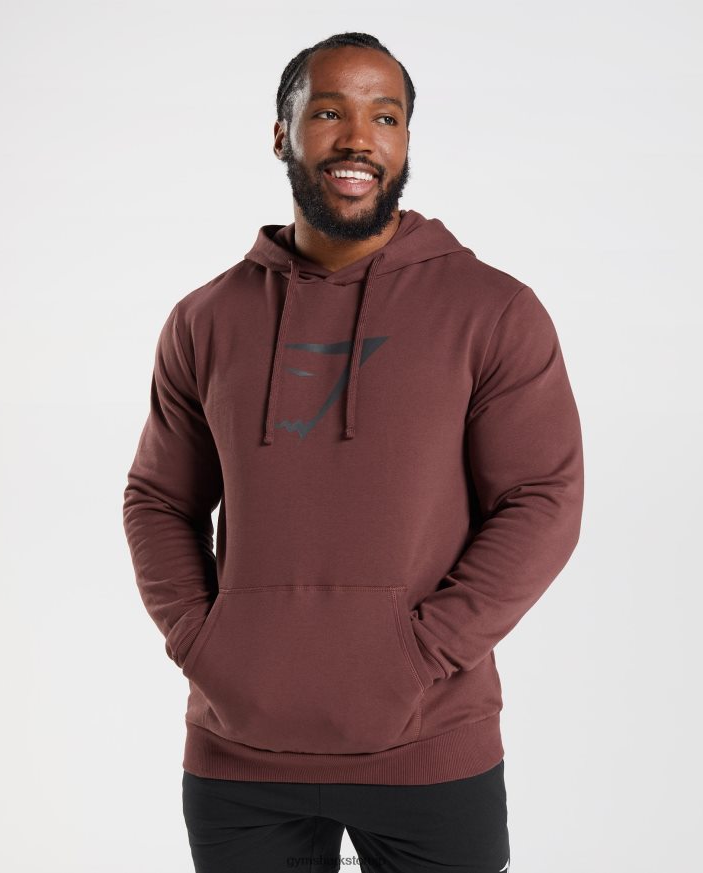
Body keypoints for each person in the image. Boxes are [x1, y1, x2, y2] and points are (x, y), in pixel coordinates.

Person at [122, 31, 584, 873]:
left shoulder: (493, 310)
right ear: (282, 133)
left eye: (386, 117)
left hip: (431, 748)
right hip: (238, 758)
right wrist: (201, 639)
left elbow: (542, 500)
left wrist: (420, 653)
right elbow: (159, 497)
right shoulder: (205, 319)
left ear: (406, 140)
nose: (359, 138)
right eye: (329, 113)